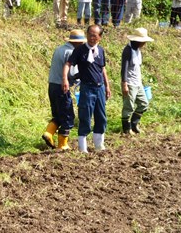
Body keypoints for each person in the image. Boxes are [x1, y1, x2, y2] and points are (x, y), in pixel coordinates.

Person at [67, 24, 111, 153]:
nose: (92, 38)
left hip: (100, 88)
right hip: (87, 87)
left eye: (94, 35)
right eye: (90, 35)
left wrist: (107, 86)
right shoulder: (80, 50)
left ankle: (99, 145)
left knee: (101, 116)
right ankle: (83, 148)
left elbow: (103, 69)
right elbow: (68, 64)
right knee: (85, 115)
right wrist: (65, 79)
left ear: (99, 37)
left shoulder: (101, 51)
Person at [42, 29, 85, 150]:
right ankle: (62, 144)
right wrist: (80, 76)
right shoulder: (71, 52)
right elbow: (71, 73)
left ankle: (48, 133)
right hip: (62, 87)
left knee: (57, 114)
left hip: (52, 85)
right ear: (77, 43)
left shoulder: (59, 49)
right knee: (68, 117)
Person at [120, 27, 154, 135]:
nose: (144, 43)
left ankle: (134, 125)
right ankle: (126, 129)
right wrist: (124, 84)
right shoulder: (128, 50)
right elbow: (124, 68)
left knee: (144, 104)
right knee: (128, 107)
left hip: (138, 83)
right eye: (143, 41)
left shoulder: (138, 50)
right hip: (130, 83)